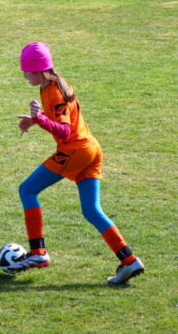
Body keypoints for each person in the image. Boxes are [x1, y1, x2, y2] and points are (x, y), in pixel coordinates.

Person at [13, 41, 144, 284]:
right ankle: (129, 261)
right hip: (91, 149)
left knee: (27, 189)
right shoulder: (54, 85)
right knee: (92, 210)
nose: (24, 76)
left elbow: (64, 131)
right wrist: (35, 120)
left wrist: (39, 119)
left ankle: (38, 252)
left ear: (39, 70)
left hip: (75, 151)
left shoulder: (53, 91)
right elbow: (61, 117)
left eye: (27, 71)